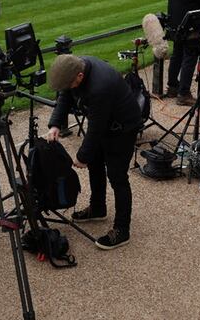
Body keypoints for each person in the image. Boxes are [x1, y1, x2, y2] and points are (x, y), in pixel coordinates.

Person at [46, 54, 141, 250]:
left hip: (123, 129)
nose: (70, 87)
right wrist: (55, 124)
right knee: (95, 165)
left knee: (117, 177)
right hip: (106, 123)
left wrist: (82, 156)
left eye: (72, 83)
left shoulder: (100, 86)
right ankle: (98, 208)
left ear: (80, 76)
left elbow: (97, 126)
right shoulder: (74, 68)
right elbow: (65, 94)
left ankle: (122, 230)